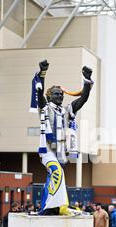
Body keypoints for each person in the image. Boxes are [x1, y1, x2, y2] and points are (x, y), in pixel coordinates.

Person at [32, 60, 94, 216]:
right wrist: (43, 73)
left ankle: (54, 206)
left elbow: (83, 99)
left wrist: (87, 81)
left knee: (54, 178)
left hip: (60, 151)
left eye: (61, 94)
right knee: (57, 172)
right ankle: (51, 207)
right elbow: (39, 95)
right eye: (56, 94)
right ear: (49, 95)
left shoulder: (67, 111)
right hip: (47, 150)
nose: (60, 96)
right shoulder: (45, 108)